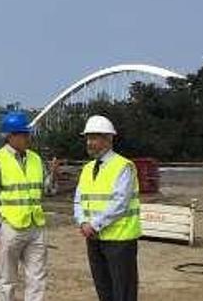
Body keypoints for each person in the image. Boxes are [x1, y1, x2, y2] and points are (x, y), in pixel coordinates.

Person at [0, 110, 48, 301]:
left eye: (27, 133)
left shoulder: (35, 159)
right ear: (10, 136)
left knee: (37, 277)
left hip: (36, 226)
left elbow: (44, 189)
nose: (27, 137)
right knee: (8, 278)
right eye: (23, 134)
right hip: (11, 227)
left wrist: (54, 176)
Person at [74, 115, 140, 301]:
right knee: (104, 289)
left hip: (119, 239)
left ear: (109, 139)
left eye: (94, 138)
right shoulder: (87, 168)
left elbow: (120, 203)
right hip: (94, 238)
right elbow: (78, 200)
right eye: (88, 138)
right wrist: (82, 221)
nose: (89, 142)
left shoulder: (123, 166)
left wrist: (93, 224)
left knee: (123, 291)